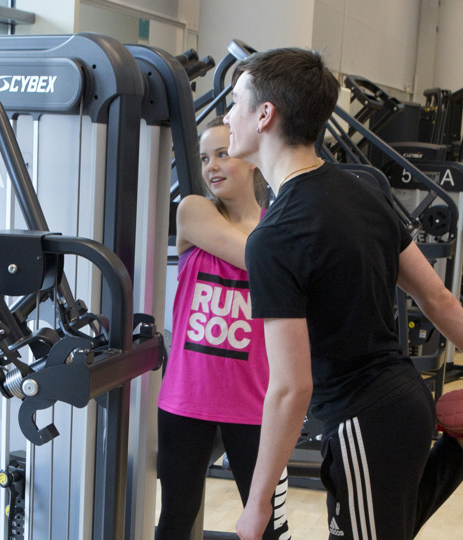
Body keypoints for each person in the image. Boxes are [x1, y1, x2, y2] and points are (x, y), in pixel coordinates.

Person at [221, 48, 463, 540]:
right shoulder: (365, 191)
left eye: (234, 103)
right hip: (405, 399)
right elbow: (438, 298)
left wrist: (258, 504)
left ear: (265, 114)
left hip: (363, 423)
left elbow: (290, 387)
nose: (226, 116)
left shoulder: (275, 236)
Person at [156, 117, 290, 540]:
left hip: (254, 403)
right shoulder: (194, 210)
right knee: (176, 521)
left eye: (222, 154)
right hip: (186, 399)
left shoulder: (276, 223)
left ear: (250, 160)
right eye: (204, 158)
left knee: (267, 527)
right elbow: (257, 258)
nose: (210, 166)